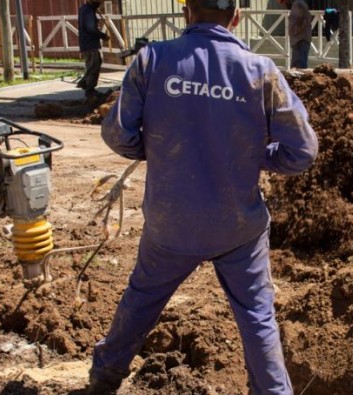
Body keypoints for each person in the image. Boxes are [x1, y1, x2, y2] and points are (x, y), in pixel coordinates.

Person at [89, 0, 318, 393]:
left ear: (186, 13)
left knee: (141, 298)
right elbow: (303, 152)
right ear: (236, 18)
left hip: (170, 222)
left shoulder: (150, 60)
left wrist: (157, 148)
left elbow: (117, 134)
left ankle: (104, 379)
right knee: (258, 316)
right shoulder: (260, 71)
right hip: (237, 226)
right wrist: (252, 154)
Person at [77, 0, 110, 99]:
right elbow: (91, 28)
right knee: (93, 66)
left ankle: (85, 82)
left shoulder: (84, 9)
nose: (99, 4)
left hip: (86, 43)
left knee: (95, 63)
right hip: (90, 44)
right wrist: (103, 35)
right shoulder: (88, 11)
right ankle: (89, 90)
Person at [279, 0, 311, 68]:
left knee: (299, 65)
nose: (283, 4)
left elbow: (304, 21)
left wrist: (296, 32)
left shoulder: (297, 4)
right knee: (298, 63)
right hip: (298, 39)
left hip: (300, 39)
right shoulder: (297, 4)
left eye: (282, 1)